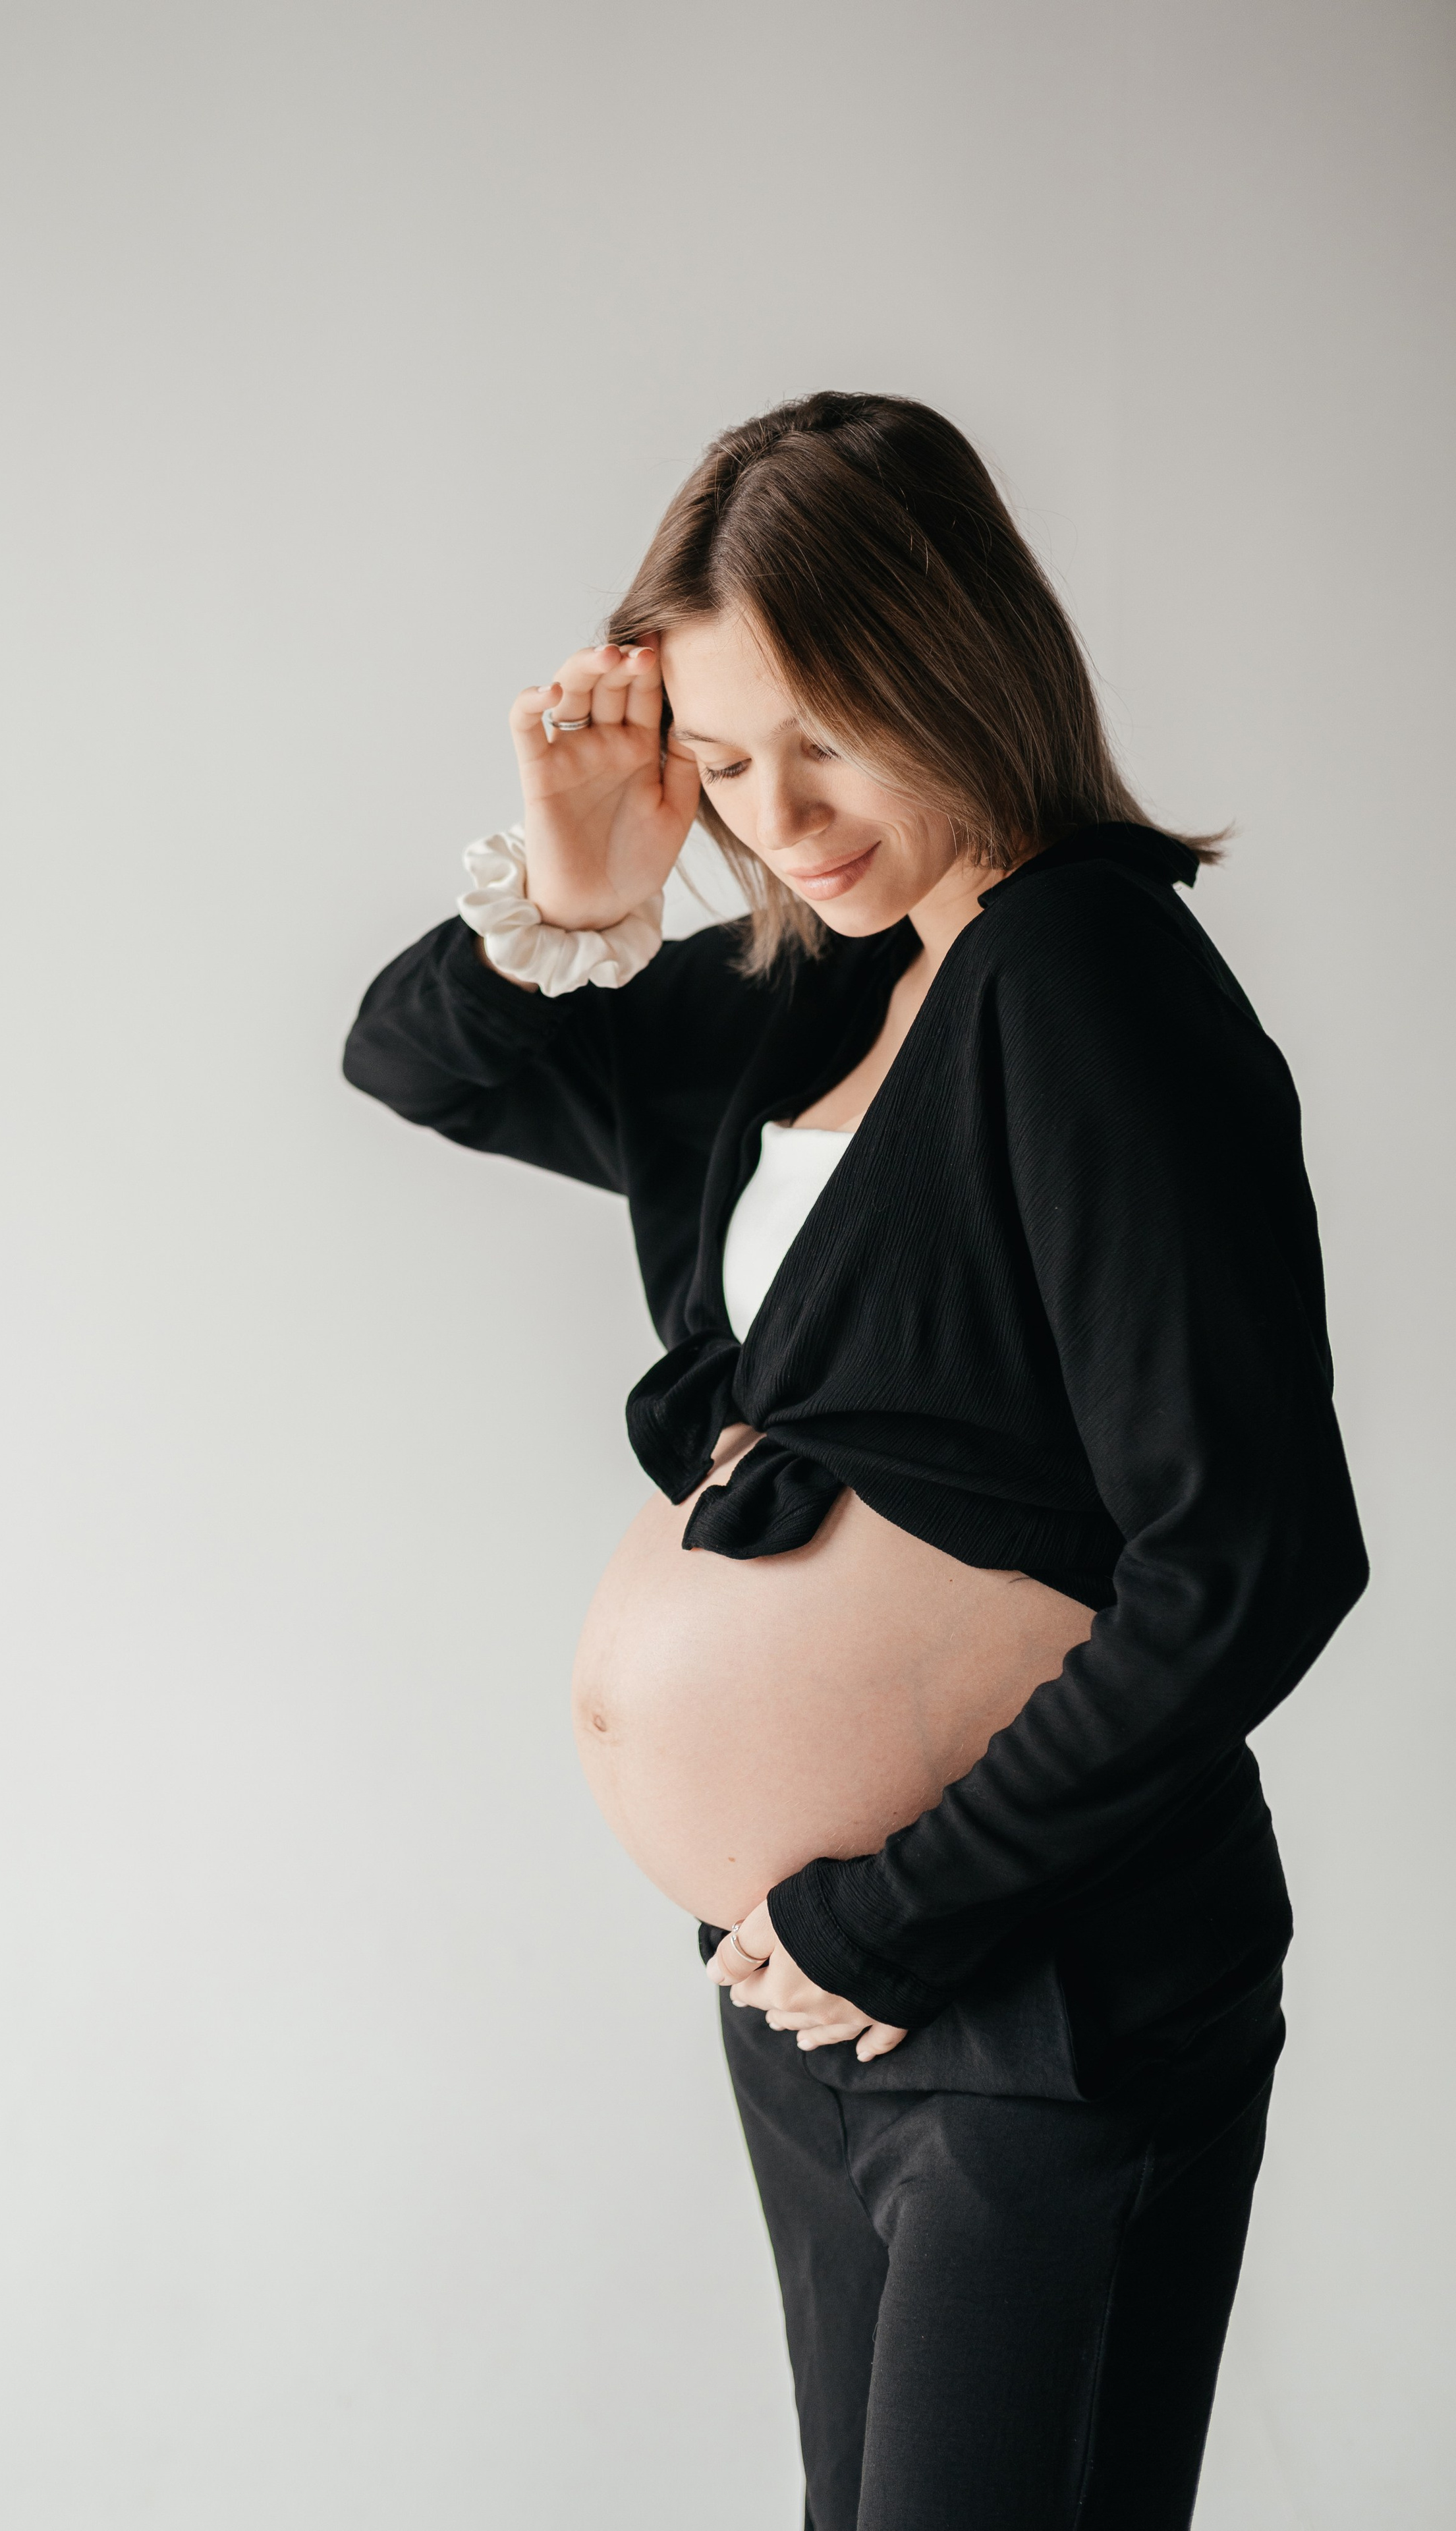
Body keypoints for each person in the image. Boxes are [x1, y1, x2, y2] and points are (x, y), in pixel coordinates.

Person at [342, 392, 1367, 2531]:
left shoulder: (1084, 970)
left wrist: (900, 1908)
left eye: (828, 734)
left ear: (958, 661)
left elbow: (1253, 1554)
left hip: (1039, 1985)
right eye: (722, 760)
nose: (779, 813)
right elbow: (415, 1057)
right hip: (824, 1996)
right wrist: (583, 874)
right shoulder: (820, 998)